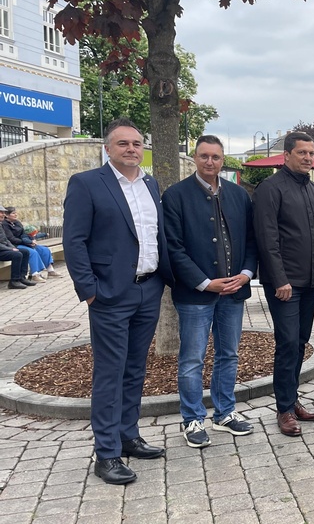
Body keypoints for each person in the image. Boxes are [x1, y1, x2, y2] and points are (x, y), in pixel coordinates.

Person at [63, 118, 172, 485]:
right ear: (108, 148)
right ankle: (106, 453)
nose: (131, 149)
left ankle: (128, 436)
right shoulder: (87, 184)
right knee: (110, 373)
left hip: (148, 289)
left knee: (135, 369)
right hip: (109, 294)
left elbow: (154, 235)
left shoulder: (150, 183)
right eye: (123, 143)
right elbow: (74, 241)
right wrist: (89, 289)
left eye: (137, 143)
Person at [162, 135, 258, 449]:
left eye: (216, 157)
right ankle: (192, 418)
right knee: (192, 359)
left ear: (222, 159)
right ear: (194, 157)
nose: (210, 162)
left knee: (228, 355)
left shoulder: (238, 195)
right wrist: (204, 282)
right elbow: (173, 248)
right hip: (196, 295)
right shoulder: (176, 196)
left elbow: (250, 241)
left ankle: (225, 413)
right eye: (204, 156)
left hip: (233, 292)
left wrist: (245, 274)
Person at [253, 132, 314, 437]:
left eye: (311, 153)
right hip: (285, 284)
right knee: (286, 344)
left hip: (310, 283)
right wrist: (279, 279)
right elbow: (266, 238)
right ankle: (283, 409)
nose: (308, 158)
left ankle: (292, 399)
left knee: (300, 343)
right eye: (302, 153)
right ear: (287, 155)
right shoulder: (270, 189)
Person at [2, 206, 59, 282]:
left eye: (16, 213)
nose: (16, 214)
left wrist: (31, 240)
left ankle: (50, 271)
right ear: (7, 215)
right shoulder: (4, 225)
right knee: (32, 252)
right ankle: (34, 274)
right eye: (13, 213)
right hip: (16, 244)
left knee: (44, 249)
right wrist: (26, 242)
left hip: (25, 242)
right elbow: (11, 239)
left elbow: (24, 234)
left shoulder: (17, 222)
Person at [0, 205, 32, 289]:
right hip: (1, 250)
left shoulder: (0, 225)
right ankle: (14, 281)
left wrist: (13, 248)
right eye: (1, 212)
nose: (3, 214)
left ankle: (22, 277)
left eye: (3, 212)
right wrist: (11, 249)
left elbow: (6, 240)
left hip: (3, 249)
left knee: (25, 252)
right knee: (17, 255)